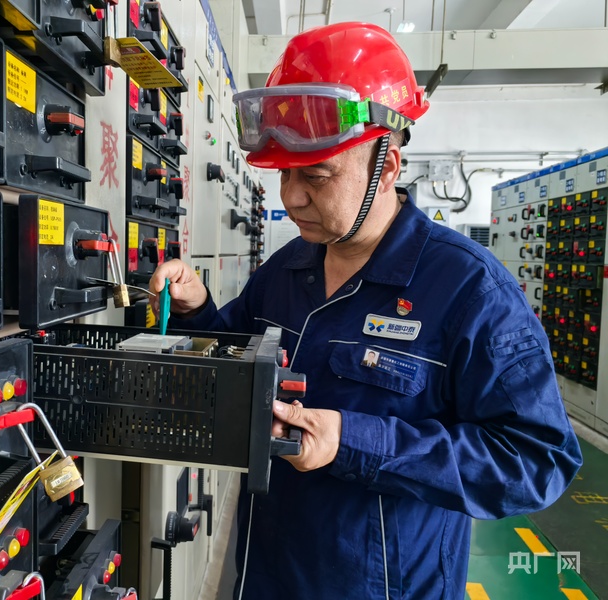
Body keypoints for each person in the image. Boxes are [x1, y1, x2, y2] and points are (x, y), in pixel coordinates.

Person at [150, 22, 582, 600]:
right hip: (267, 573)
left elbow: (536, 460)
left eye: (316, 175)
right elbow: (236, 354)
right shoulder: (288, 268)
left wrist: (353, 440)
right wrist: (198, 309)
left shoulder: (470, 291)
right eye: (284, 174)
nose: (291, 197)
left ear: (388, 167)